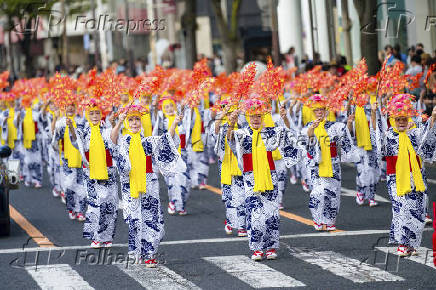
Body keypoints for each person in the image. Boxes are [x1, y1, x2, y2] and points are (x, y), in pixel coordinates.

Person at [226, 99, 299, 261]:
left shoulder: (271, 132)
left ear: (263, 116)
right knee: (255, 214)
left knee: (271, 213)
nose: (255, 119)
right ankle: (257, 249)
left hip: (270, 176)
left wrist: (285, 117)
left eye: (258, 116)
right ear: (247, 117)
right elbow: (229, 139)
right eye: (252, 116)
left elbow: (290, 134)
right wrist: (231, 122)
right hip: (250, 178)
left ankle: (272, 247)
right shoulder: (242, 133)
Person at [111, 104, 183, 266]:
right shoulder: (123, 142)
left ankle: (149, 253)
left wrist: (174, 124)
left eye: (137, 119)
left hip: (149, 185)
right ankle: (135, 252)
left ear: (142, 122)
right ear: (127, 122)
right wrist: (119, 122)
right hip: (130, 187)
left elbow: (167, 140)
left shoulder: (148, 142)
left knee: (151, 218)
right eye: (131, 120)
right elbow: (112, 140)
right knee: (134, 220)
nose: (134, 123)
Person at [373, 94, 436, 256]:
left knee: (417, 210)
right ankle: (402, 243)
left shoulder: (415, 133)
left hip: (416, 177)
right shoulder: (388, 135)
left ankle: (412, 244)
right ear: (393, 119)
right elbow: (378, 142)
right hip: (396, 179)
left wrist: (433, 118)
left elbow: (427, 140)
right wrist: (374, 114)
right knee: (403, 209)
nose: (401, 122)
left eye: (404, 119)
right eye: (398, 119)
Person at [302, 94, 359, 231]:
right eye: (316, 110)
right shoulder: (308, 127)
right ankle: (317, 219)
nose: (319, 112)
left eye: (321, 109)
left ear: (326, 111)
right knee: (317, 193)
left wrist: (350, 123)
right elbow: (305, 145)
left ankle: (330, 221)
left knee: (332, 194)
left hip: (333, 165)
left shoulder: (335, 126)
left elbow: (345, 135)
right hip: (316, 166)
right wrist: (311, 131)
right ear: (312, 112)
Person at [73, 99, 119, 248]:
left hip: (109, 172)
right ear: (87, 115)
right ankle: (96, 237)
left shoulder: (106, 129)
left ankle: (106, 237)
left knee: (110, 205)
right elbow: (75, 141)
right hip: (91, 174)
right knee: (96, 205)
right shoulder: (83, 131)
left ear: (101, 114)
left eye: (97, 113)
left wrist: (114, 124)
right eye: (91, 113)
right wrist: (70, 127)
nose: (94, 116)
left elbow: (115, 142)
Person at [52, 103, 87, 221]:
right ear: (64, 107)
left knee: (82, 186)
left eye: (73, 105)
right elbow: (54, 142)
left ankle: (81, 211)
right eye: (68, 105)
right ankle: (72, 208)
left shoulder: (81, 121)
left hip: (81, 159)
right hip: (67, 159)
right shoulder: (60, 124)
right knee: (69, 186)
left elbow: (82, 138)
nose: (70, 107)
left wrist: (72, 128)